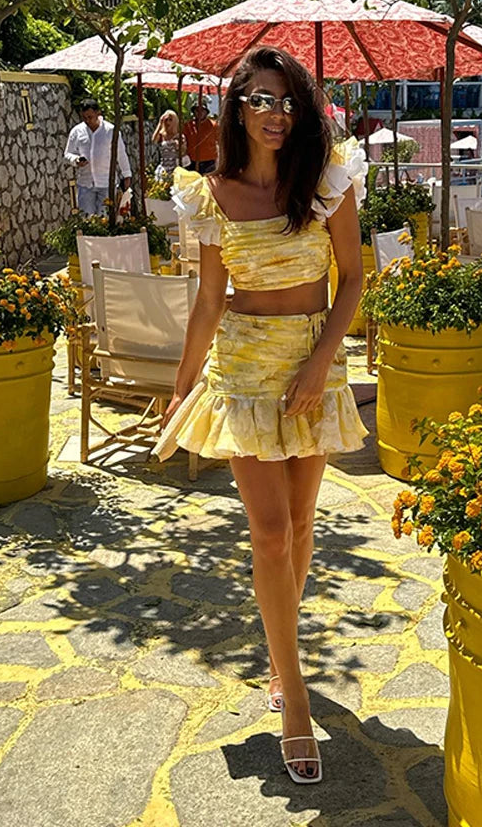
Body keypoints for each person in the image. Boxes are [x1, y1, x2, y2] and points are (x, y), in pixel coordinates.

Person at [159, 46, 368, 784]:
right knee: (272, 531)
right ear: (236, 107)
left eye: (288, 101)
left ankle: (283, 654)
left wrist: (319, 367)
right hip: (245, 369)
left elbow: (352, 279)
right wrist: (182, 389)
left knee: (304, 523)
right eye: (263, 101)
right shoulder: (209, 195)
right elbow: (209, 300)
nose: (278, 114)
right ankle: (295, 697)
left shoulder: (326, 181)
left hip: (312, 359)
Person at [64, 98, 132, 215]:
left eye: (90, 117)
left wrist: (127, 175)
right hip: (85, 183)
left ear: (98, 113)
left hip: (106, 183)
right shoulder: (77, 131)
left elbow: (121, 154)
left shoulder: (110, 131)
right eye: (84, 118)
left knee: (105, 217)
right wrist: (76, 160)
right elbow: (67, 154)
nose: (87, 120)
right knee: (86, 218)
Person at [183, 102, 219, 174]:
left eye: (202, 110)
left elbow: (220, 142)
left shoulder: (214, 125)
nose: (200, 113)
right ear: (194, 112)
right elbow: (183, 141)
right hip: (192, 161)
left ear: (206, 112)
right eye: (197, 110)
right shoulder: (188, 126)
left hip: (209, 161)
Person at [152, 110, 189, 178]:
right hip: (163, 168)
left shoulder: (179, 136)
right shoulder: (161, 135)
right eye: (166, 120)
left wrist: (179, 146)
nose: (168, 122)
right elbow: (154, 140)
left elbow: (184, 152)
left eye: (170, 120)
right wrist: (160, 123)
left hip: (176, 168)